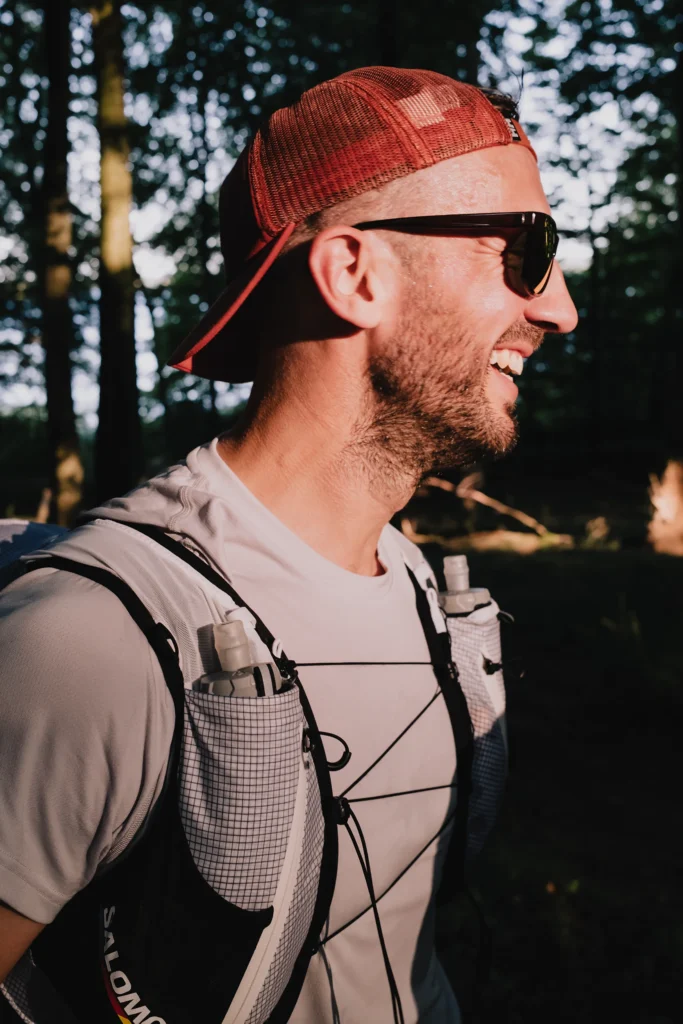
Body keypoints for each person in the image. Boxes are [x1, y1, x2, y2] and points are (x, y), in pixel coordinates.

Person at [0, 66, 577, 1023]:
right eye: (527, 251)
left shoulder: (422, 590)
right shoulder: (91, 642)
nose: (556, 308)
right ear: (355, 273)